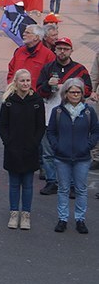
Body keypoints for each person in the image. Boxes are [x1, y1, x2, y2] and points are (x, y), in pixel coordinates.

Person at [36, 37, 92, 195]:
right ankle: (51, 181)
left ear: (71, 51)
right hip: (50, 116)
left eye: (65, 49)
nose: (62, 51)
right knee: (48, 152)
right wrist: (48, 84)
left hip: (73, 118)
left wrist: (72, 88)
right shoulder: (47, 68)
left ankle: (72, 185)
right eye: (59, 48)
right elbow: (39, 90)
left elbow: (88, 89)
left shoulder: (79, 69)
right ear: (55, 50)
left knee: (72, 151)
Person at [48, 78, 99, 234]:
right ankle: (63, 218)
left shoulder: (89, 111)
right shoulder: (57, 111)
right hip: (62, 157)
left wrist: (88, 146)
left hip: (82, 158)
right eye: (72, 92)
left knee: (81, 190)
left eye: (78, 92)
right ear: (66, 93)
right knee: (63, 189)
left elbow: (95, 131)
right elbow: (51, 132)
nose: (75, 95)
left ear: (82, 94)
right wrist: (57, 146)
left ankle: (80, 219)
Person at [0, 69, 45, 230]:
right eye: (22, 81)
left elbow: (40, 126)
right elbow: (2, 125)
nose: (25, 83)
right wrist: (7, 142)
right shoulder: (9, 101)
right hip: (13, 148)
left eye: (28, 80)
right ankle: (14, 213)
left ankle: (26, 214)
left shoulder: (37, 101)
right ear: (16, 82)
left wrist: (35, 142)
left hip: (30, 148)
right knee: (14, 183)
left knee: (28, 184)